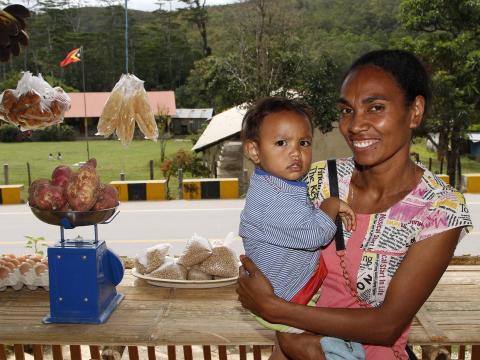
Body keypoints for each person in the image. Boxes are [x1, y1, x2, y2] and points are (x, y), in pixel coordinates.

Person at [236, 49, 473, 360]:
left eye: (375, 108)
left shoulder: (439, 211)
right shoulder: (320, 179)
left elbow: (385, 326)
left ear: (415, 111)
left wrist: (275, 309)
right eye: (347, 111)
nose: (356, 125)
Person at [239, 97, 364, 359]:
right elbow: (314, 235)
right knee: (297, 343)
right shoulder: (271, 199)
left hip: (288, 289)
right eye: (281, 143)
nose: (295, 152)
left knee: (283, 349)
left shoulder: (277, 183)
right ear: (254, 151)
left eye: (303, 143)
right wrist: (330, 205)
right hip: (287, 296)